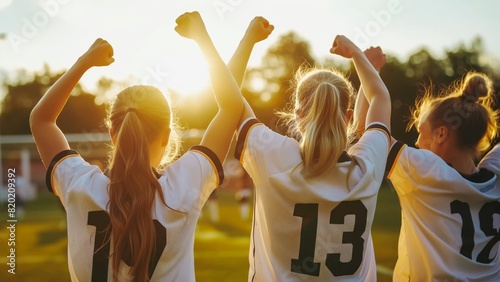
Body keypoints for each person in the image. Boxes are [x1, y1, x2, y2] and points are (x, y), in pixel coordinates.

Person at [29, 12, 244, 282]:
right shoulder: (185, 184)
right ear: (167, 136)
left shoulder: (78, 185)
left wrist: (84, 63)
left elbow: (41, 120)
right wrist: (202, 39)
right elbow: (231, 106)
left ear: (112, 134)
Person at [228, 19, 392, 280]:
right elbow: (380, 99)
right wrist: (358, 56)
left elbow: (228, 97)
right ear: (348, 117)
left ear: (298, 114)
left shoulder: (272, 156)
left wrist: (249, 39)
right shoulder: (366, 167)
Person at [381, 70, 500, 281]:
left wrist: (369, 66)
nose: (417, 142)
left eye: (420, 131)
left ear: (441, 134)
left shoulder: (427, 175)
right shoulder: (496, 174)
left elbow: (373, 132)